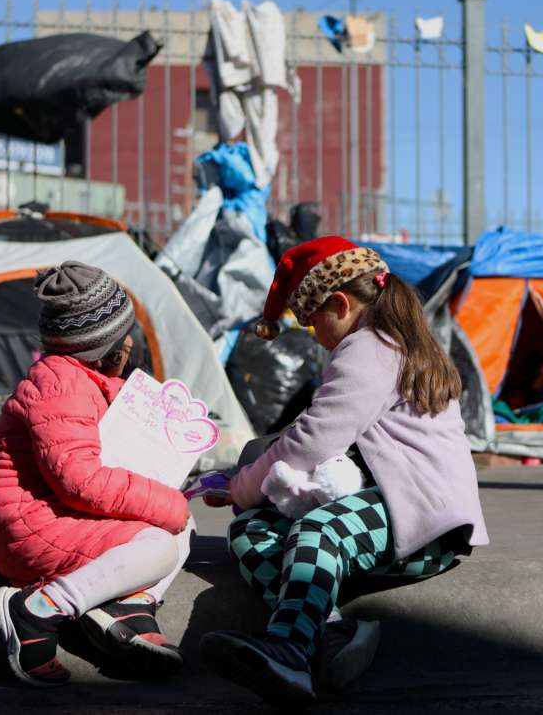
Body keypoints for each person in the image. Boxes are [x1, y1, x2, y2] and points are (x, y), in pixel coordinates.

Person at [200, 236, 489, 704]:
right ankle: (332, 629)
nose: (313, 334)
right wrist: (249, 495)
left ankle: (290, 650)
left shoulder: (369, 347)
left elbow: (313, 441)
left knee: (319, 530)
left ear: (339, 302)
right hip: (385, 508)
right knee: (250, 531)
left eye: (312, 320)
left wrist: (240, 486)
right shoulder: (387, 343)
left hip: (426, 518)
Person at [0, 261, 195, 686]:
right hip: (33, 527)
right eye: (125, 336)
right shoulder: (61, 387)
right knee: (162, 543)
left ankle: (129, 606)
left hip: (56, 517)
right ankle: (39, 609)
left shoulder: (83, 380)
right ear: (106, 344)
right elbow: (81, 481)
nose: (132, 344)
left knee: (181, 526)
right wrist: (166, 501)